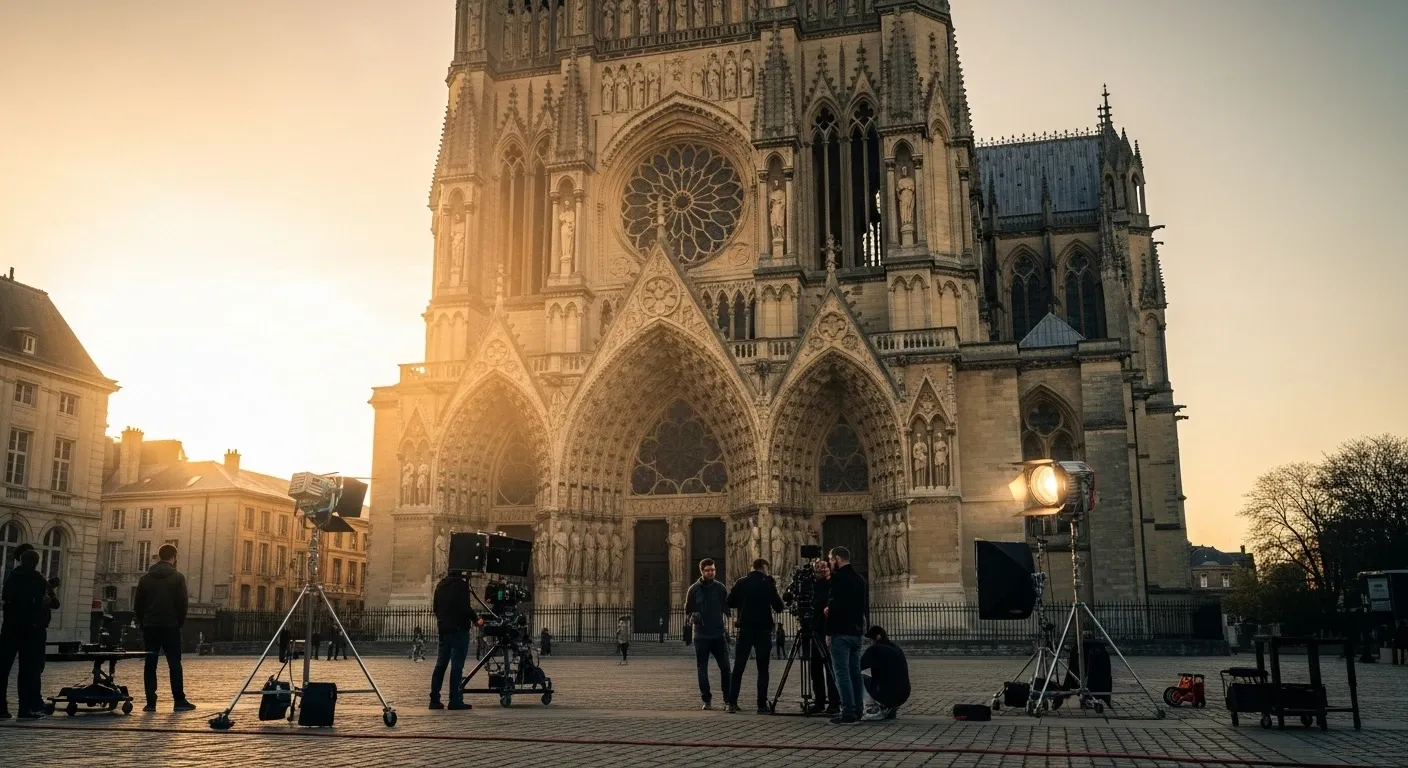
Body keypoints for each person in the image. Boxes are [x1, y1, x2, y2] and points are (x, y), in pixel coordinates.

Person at [134, 544, 194, 713]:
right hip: (170, 626)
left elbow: (138, 604)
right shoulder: (177, 578)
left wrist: (143, 622)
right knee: (174, 664)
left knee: (150, 663)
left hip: (150, 626)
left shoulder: (145, 579)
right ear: (174, 557)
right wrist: (178, 622)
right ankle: (179, 700)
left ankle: (151, 702)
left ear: (159, 557)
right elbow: (182, 603)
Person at [3, 546, 55, 719]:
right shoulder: (37, 579)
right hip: (31, 630)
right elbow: (48, 602)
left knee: (3, 669)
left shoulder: (12, 576)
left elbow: (7, 597)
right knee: (29, 671)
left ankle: (1, 708)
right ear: (36, 563)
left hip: (10, 628)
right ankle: (26, 708)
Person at [726, 558, 784, 714]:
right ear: (764, 567)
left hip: (745, 628)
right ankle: (761, 705)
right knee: (763, 668)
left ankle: (732, 703)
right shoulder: (767, 583)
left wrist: (742, 603)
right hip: (763, 630)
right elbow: (779, 607)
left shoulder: (742, 582)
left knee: (739, 667)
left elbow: (730, 602)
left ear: (752, 568)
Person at [824, 546, 868, 725]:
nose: (829, 563)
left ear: (837, 559)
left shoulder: (838, 578)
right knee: (855, 672)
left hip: (840, 632)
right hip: (856, 632)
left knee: (841, 673)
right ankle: (858, 709)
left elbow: (835, 605)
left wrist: (828, 631)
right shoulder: (859, 579)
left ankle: (848, 711)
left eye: (830, 559)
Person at [684, 558, 731, 710]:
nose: (711, 572)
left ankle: (728, 700)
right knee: (702, 669)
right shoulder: (693, 589)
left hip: (718, 634)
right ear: (702, 571)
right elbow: (688, 610)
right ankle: (707, 700)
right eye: (707, 570)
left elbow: (727, 610)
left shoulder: (721, 588)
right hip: (701, 636)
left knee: (725, 668)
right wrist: (693, 616)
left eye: (713, 569)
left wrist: (728, 628)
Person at [430, 569, 478, 710]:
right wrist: (477, 620)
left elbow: (435, 607)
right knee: (457, 666)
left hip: (444, 630)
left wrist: (443, 621)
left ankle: (434, 699)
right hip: (459, 630)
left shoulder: (440, 585)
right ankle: (455, 699)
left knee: (441, 665)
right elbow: (465, 608)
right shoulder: (462, 586)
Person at [807, 558, 841, 716]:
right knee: (816, 667)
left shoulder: (832, 585)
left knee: (828, 667)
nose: (821, 570)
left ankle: (833, 702)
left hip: (826, 631)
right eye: (818, 568)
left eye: (823, 567)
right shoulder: (813, 586)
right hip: (817, 631)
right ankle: (820, 701)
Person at [860, 625, 909, 721]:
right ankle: (891, 707)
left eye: (871, 639)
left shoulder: (873, 650)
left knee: (863, 675)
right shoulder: (897, 649)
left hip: (886, 694)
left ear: (877, 637)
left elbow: (864, 669)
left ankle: (871, 708)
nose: (870, 642)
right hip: (903, 694)